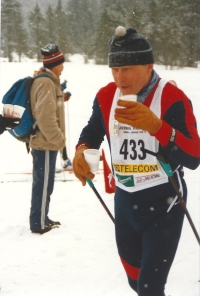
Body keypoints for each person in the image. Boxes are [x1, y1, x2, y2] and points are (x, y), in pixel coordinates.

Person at [72, 26, 200, 295]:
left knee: (149, 287)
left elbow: (193, 156)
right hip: (126, 202)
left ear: (149, 65)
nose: (121, 77)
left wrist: (158, 127)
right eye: (115, 69)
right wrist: (82, 150)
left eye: (128, 68)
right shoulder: (106, 96)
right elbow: (92, 131)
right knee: (134, 280)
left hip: (165, 201)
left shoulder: (173, 98)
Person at [29, 44, 66, 234]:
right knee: (43, 185)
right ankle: (38, 223)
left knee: (45, 184)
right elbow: (45, 118)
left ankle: (42, 217)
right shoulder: (46, 83)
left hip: (47, 142)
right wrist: (59, 140)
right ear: (55, 64)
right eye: (62, 63)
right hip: (45, 143)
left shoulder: (50, 81)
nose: (64, 67)